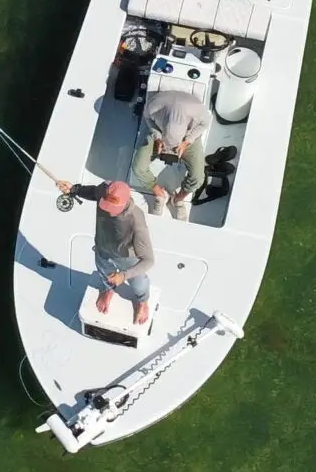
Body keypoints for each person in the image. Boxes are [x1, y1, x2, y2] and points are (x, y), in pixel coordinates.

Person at [56, 178, 155, 326]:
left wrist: (124, 275)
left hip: (126, 257)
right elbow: (93, 192)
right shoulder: (104, 190)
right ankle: (109, 290)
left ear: (125, 203)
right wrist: (74, 189)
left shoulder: (136, 220)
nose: (107, 209)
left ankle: (142, 301)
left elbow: (149, 260)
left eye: (113, 207)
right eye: (106, 204)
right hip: (102, 246)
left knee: (139, 283)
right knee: (104, 272)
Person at [131, 90, 210, 220]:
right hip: (161, 135)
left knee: (198, 177)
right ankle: (159, 193)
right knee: (138, 167)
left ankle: (178, 199)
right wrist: (157, 137)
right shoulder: (153, 107)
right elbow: (148, 119)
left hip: (187, 139)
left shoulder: (199, 112)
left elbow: (205, 124)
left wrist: (187, 141)